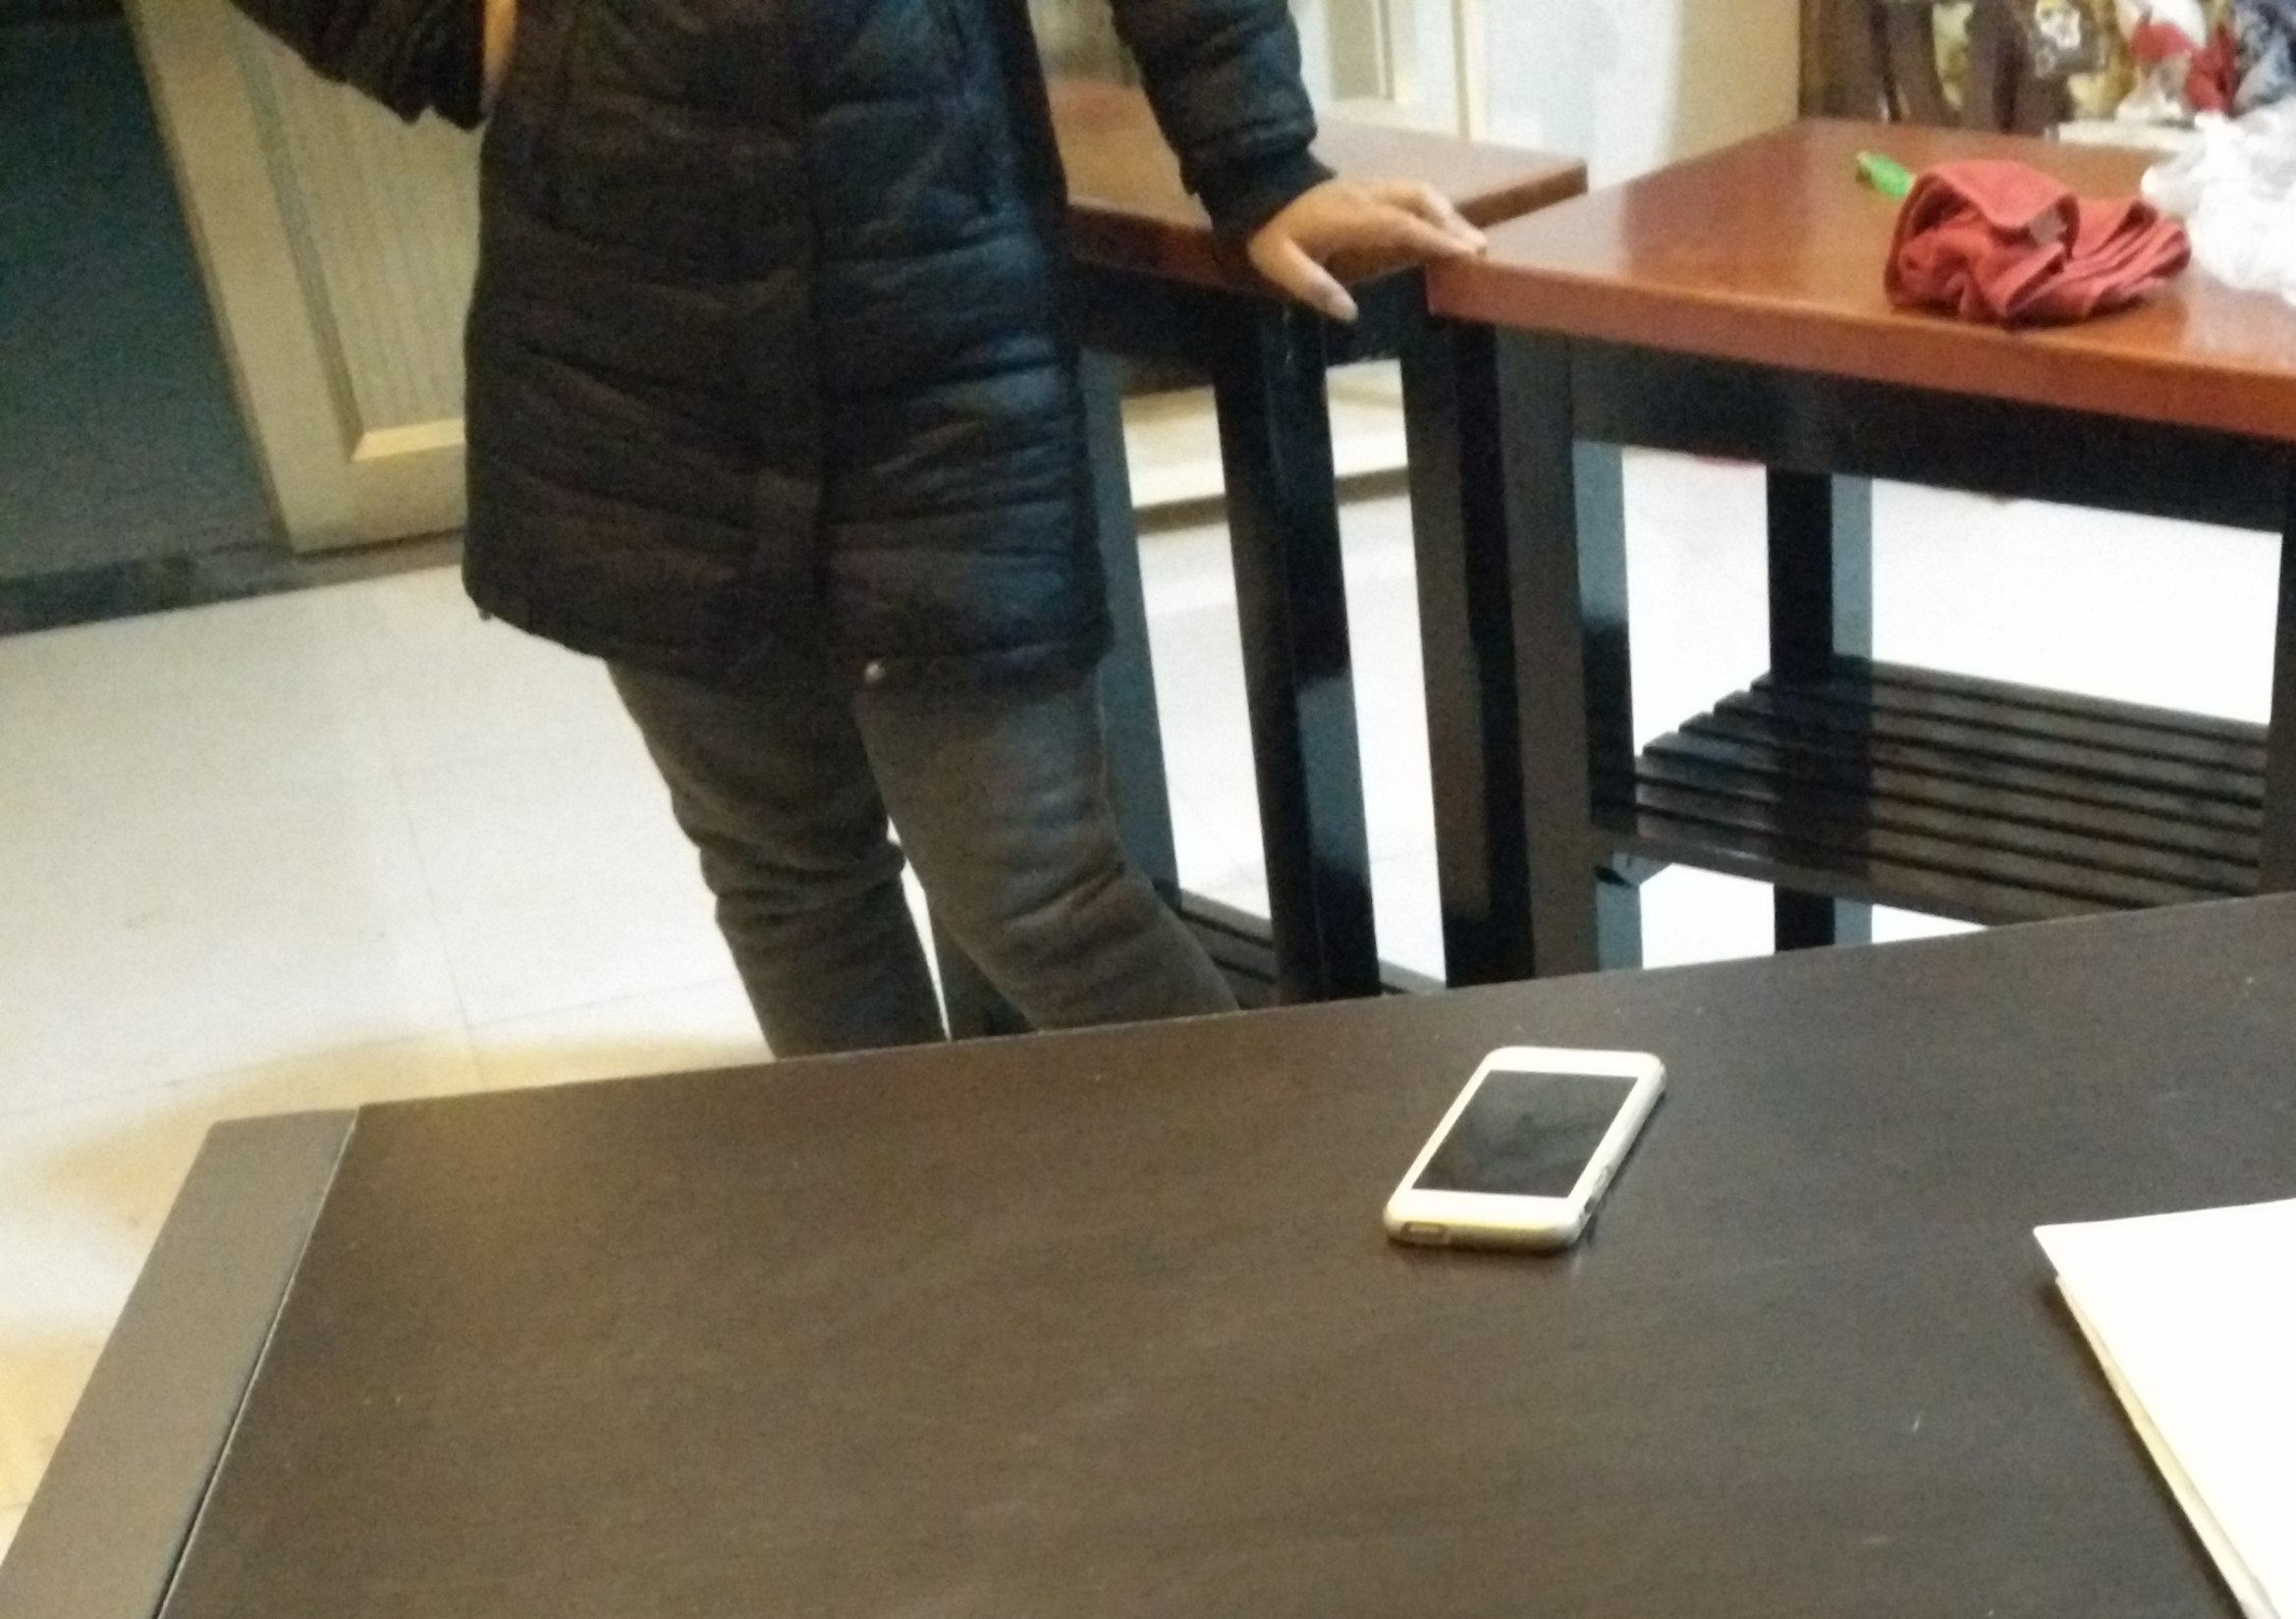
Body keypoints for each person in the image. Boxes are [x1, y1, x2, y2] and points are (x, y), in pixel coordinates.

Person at [232, 0, 1484, 1052]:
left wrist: (1262, 163)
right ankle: (921, 1247)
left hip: (941, 321)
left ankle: (1278, 1222)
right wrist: (459, 31)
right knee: (789, 877)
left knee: (1038, 890)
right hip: (634, 348)